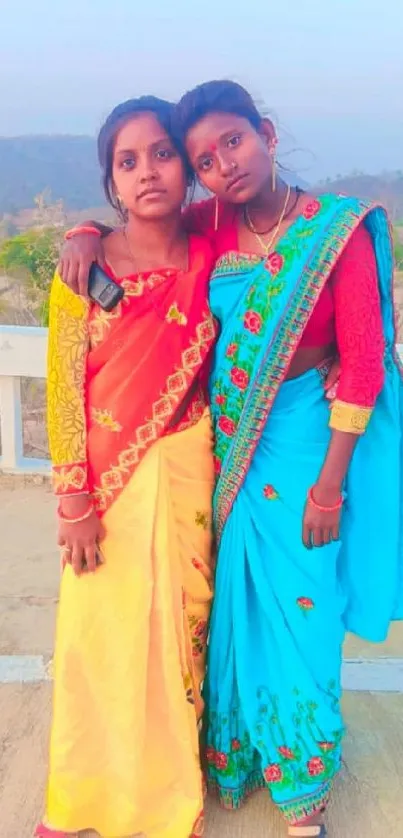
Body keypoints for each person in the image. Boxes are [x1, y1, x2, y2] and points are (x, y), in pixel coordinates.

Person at [57, 80, 403, 838]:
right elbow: (136, 225)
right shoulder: (207, 219)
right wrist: (81, 230)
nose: (221, 166)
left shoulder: (333, 230)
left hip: (311, 443)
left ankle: (304, 785)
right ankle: (239, 754)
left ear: (267, 134)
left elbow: (364, 363)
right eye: (204, 159)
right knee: (228, 606)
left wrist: (329, 488)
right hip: (226, 446)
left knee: (302, 608)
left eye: (233, 144)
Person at [36, 96, 217, 838]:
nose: (148, 172)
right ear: (112, 183)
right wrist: (73, 500)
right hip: (106, 490)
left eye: (163, 153)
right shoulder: (87, 266)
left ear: (188, 168)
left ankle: (168, 790)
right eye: (128, 160)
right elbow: (61, 388)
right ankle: (81, 799)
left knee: (180, 631)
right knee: (95, 642)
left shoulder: (216, 247)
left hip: (185, 473)